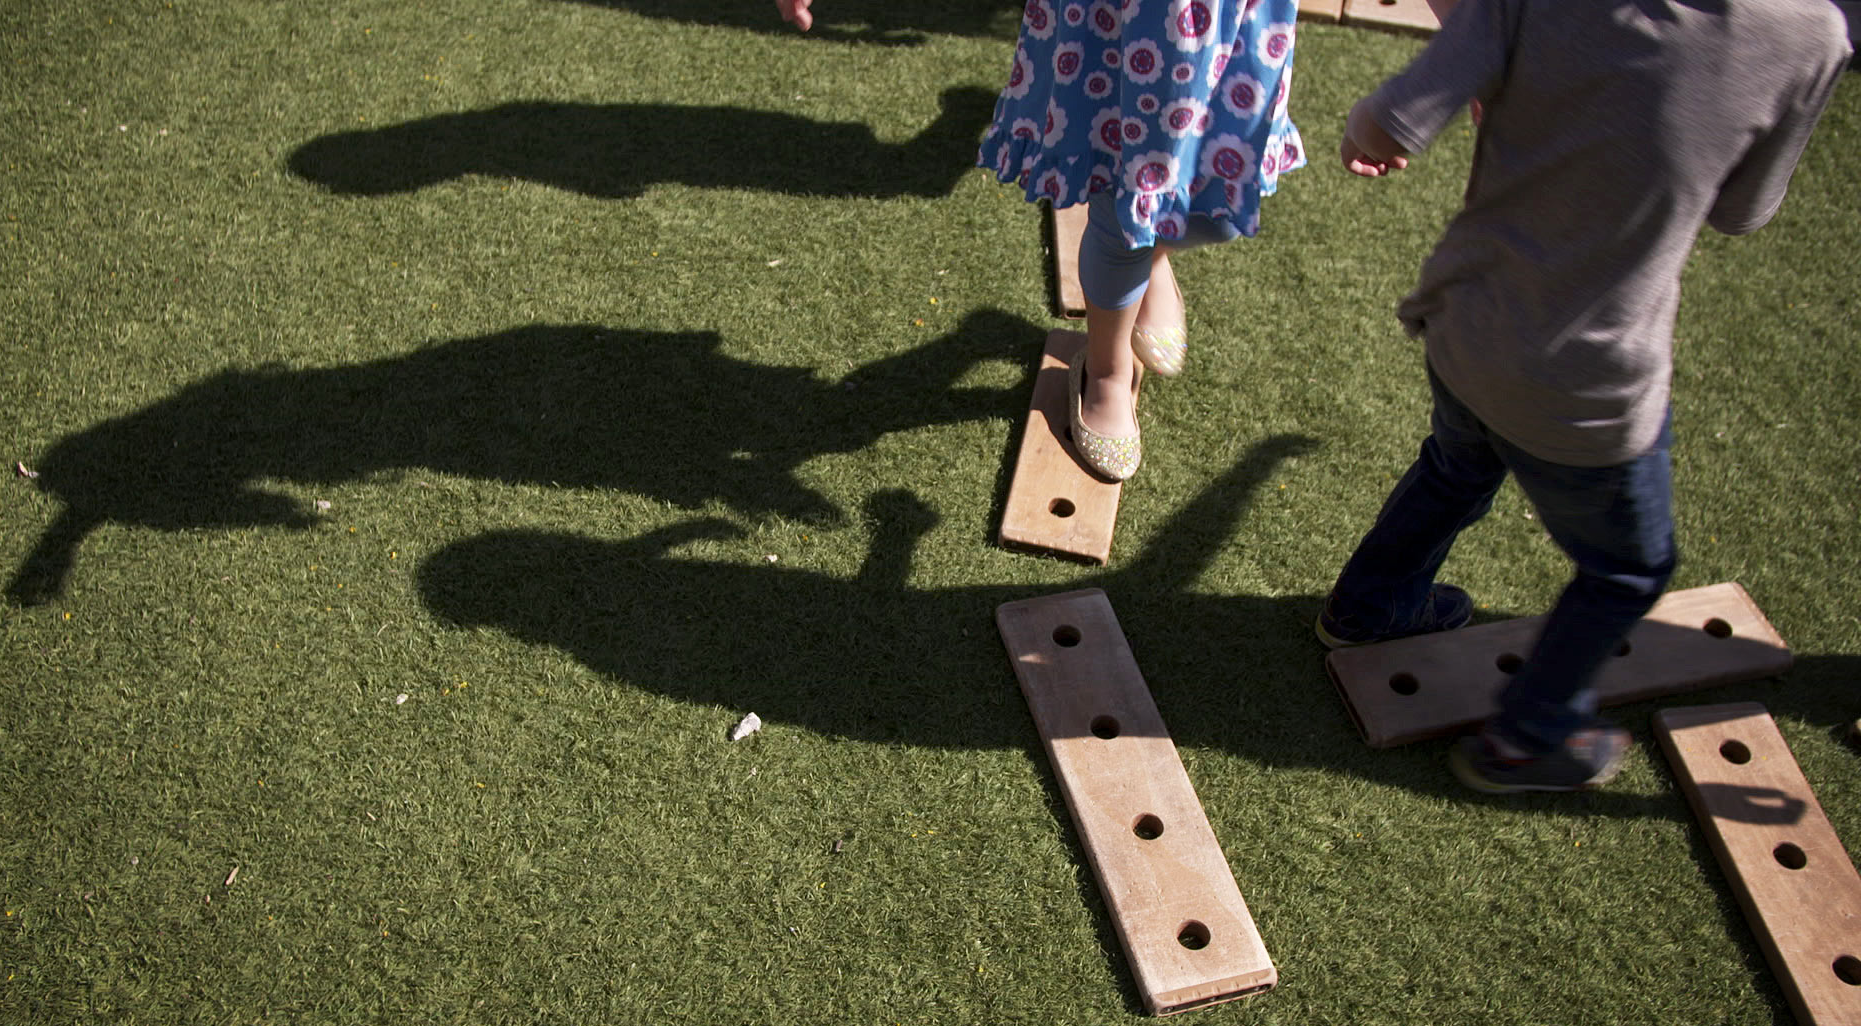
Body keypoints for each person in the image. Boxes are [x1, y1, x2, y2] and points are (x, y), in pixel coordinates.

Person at [1318, 0, 1850, 792]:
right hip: (1591, 385)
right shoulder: (1811, 36)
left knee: (1458, 464)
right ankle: (1528, 738)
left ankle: (1368, 608)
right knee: (1628, 569)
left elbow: (1387, 124)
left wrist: (1378, 136)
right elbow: (1744, 211)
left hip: (1464, 324)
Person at [774, 0, 1306, 481]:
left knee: (1221, 212)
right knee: (1124, 215)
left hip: (1239, 22)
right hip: (1135, 22)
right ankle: (1106, 372)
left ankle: (1155, 257)